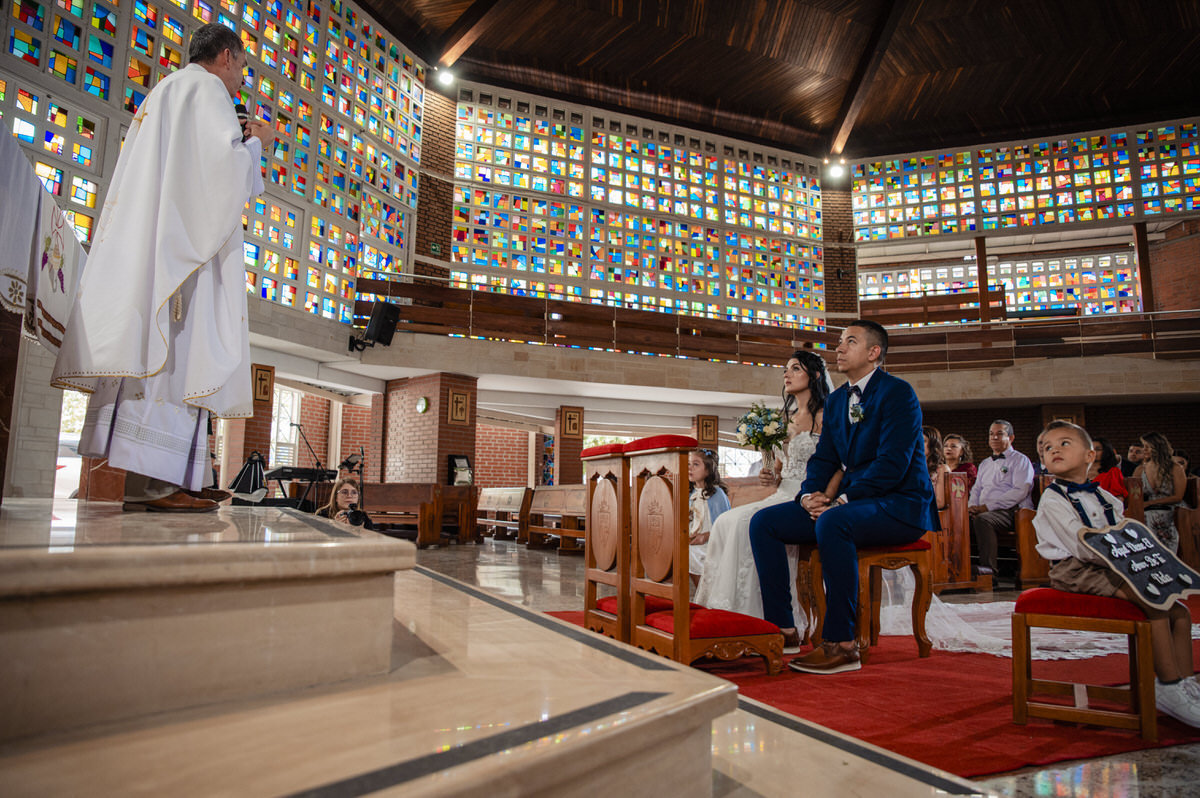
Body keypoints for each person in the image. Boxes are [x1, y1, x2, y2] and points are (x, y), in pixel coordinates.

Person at [52, 24, 273, 513]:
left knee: (162, 356)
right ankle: (156, 483)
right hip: (184, 258)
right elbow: (223, 175)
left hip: (159, 244)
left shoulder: (165, 91)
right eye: (241, 67)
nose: (240, 78)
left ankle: (175, 476)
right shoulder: (206, 89)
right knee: (176, 357)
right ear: (226, 57)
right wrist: (258, 144)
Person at [749, 320, 934, 674]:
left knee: (834, 522)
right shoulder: (835, 402)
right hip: (852, 504)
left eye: (850, 341)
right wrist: (807, 497)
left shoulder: (898, 393)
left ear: (873, 352)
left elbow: (893, 464)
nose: (839, 347)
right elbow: (825, 459)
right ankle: (784, 630)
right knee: (765, 522)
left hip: (900, 505)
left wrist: (840, 501)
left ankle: (842, 644)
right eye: (839, 341)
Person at [1033, 420, 1200, 727]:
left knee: (1180, 611)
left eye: (1064, 443)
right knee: (1154, 603)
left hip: (1114, 563)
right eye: (1047, 447)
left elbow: (1126, 535)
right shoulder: (1053, 499)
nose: (1054, 449)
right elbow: (1081, 546)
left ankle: (1187, 682)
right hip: (1074, 569)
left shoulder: (1107, 498)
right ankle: (1168, 687)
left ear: (1089, 456)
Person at [695, 351, 835, 648]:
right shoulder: (785, 419)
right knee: (726, 521)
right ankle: (729, 614)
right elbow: (782, 471)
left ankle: (764, 620)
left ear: (815, 375)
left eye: (795, 369)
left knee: (743, 522)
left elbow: (834, 462)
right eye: (785, 369)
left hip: (811, 496)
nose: (787, 374)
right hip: (784, 492)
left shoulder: (826, 416)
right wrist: (772, 476)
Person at [967, 420, 1035, 578]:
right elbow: (976, 489)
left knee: (983, 520)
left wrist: (986, 507)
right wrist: (972, 507)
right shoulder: (985, 463)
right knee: (959, 521)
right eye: (991, 434)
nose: (994, 437)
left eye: (999, 434)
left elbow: (1020, 491)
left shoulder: (1020, 460)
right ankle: (962, 570)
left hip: (1012, 511)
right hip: (985, 510)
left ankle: (989, 573)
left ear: (1011, 438)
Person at [1134, 431, 1187, 552]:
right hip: (1147, 512)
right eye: (1143, 446)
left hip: (1171, 511)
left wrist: (1149, 503)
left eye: (1147, 446)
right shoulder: (1140, 469)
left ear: (1158, 446)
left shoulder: (1175, 468)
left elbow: (1178, 496)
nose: (1144, 449)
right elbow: (1134, 495)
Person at [687, 449, 730, 581]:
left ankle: (704, 594)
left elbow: (726, 526)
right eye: (688, 464)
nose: (690, 468)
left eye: (696, 464)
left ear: (708, 470)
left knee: (691, 553)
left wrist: (705, 536)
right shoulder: (691, 493)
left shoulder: (717, 494)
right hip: (695, 540)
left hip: (712, 542)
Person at [925, 426, 950, 511]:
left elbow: (940, 502)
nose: (918, 444)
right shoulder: (911, 467)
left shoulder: (942, 469)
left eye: (924, 441)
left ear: (932, 444)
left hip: (930, 513)